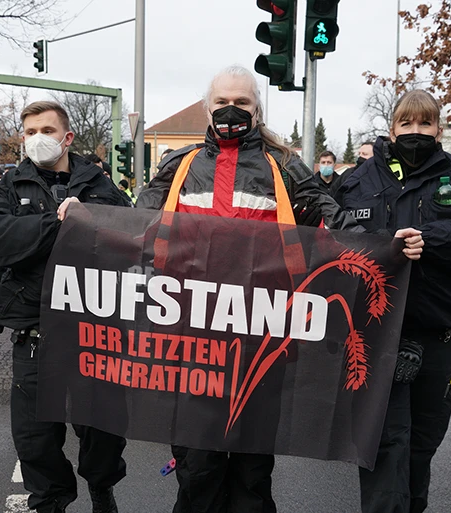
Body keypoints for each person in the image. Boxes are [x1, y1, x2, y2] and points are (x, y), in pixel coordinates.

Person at [138, 65, 357, 513]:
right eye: (222, 102)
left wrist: (388, 246)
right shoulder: (179, 167)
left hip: (262, 336)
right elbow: (132, 226)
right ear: (207, 107)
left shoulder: (285, 168)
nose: (231, 110)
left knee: (252, 468)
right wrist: (79, 216)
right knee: (198, 463)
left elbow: (334, 219)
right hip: (193, 336)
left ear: (257, 108)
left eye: (242, 103)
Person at [333, 90, 451, 513]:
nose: (416, 132)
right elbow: (327, 235)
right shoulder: (358, 179)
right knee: (384, 445)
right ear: (392, 129)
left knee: (421, 445)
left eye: (425, 124)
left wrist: (430, 239)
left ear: (438, 129)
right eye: (407, 124)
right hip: (374, 334)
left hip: (436, 334)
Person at [0, 100, 131, 513]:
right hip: (34, 332)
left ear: (67, 138)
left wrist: (90, 217)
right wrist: (59, 224)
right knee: (34, 438)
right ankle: (50, 500)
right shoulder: (9, 187)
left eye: (46, 130)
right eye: (29, 132)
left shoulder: (100, 185)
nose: (37, 139)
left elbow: (130, 237)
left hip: (93, 332)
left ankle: (101, 487)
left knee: (102, 431)